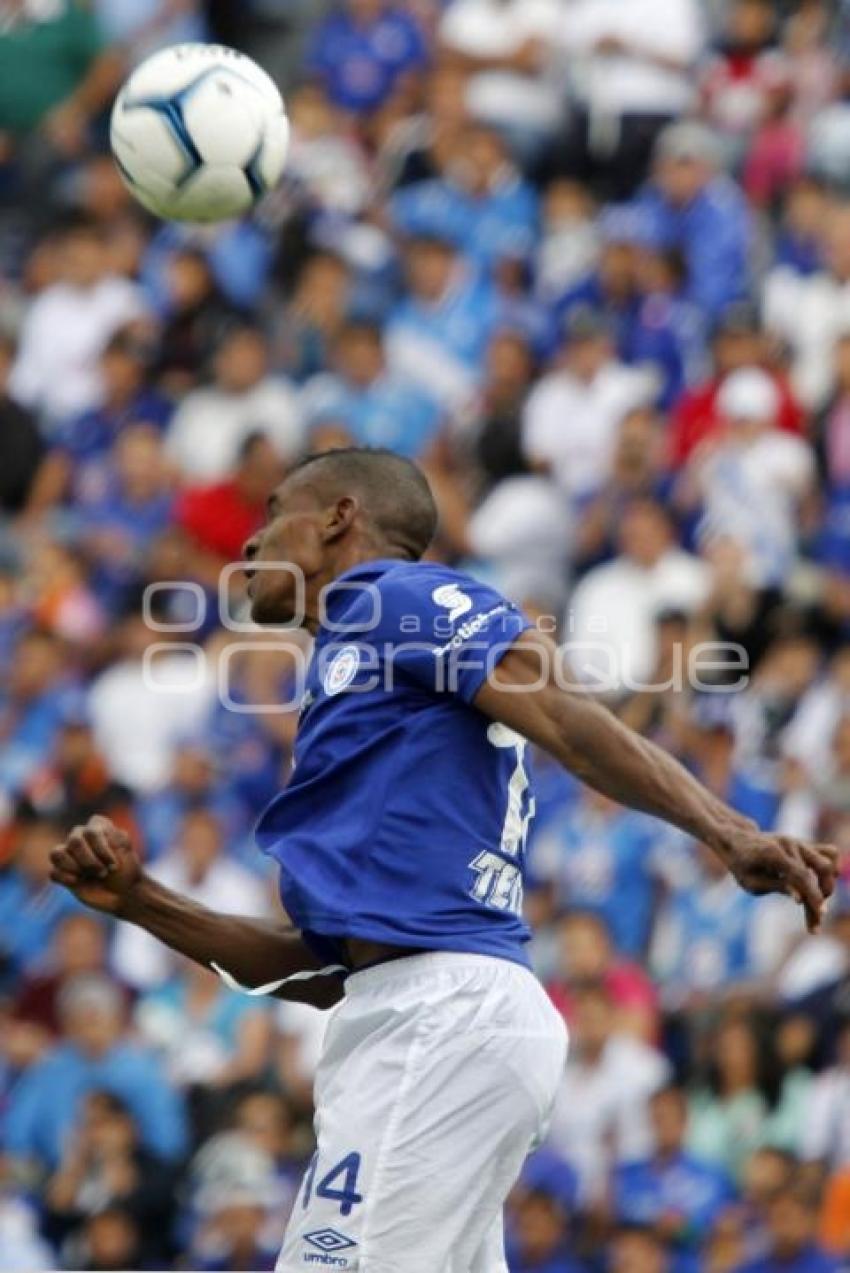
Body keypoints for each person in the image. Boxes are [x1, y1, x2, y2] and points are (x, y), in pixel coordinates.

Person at [50, 449, 838, 1272]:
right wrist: (142, 900)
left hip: (440, 1018)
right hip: (426, 1012)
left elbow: (564, 713)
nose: (248, 545)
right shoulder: (362, 672)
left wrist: (729, 831)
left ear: (338, 519)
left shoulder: (393, 593)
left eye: (274, 513)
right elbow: (323, 969)